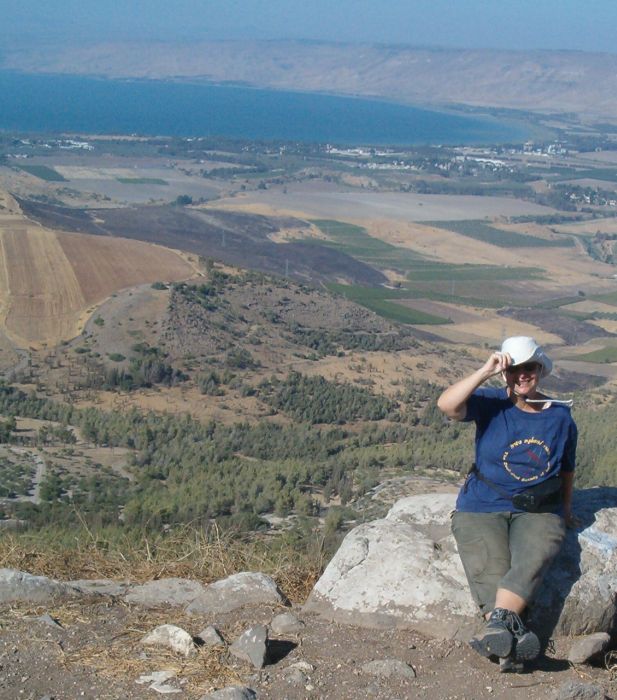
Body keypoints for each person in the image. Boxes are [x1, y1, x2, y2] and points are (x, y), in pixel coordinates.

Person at [437, 336, 577, 671]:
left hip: (538, 509)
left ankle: (497, 633)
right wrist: (486, 370)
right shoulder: (490, 403)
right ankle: (510, 636)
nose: (521, 375)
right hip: (482, 504)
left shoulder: (560, 418)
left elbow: (567, 469)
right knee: (491, 565)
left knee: (534, 554)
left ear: (539, 370)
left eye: (528, 367)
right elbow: (447, 405)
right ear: (505, 373)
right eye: (514, 369)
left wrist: (567, 510)